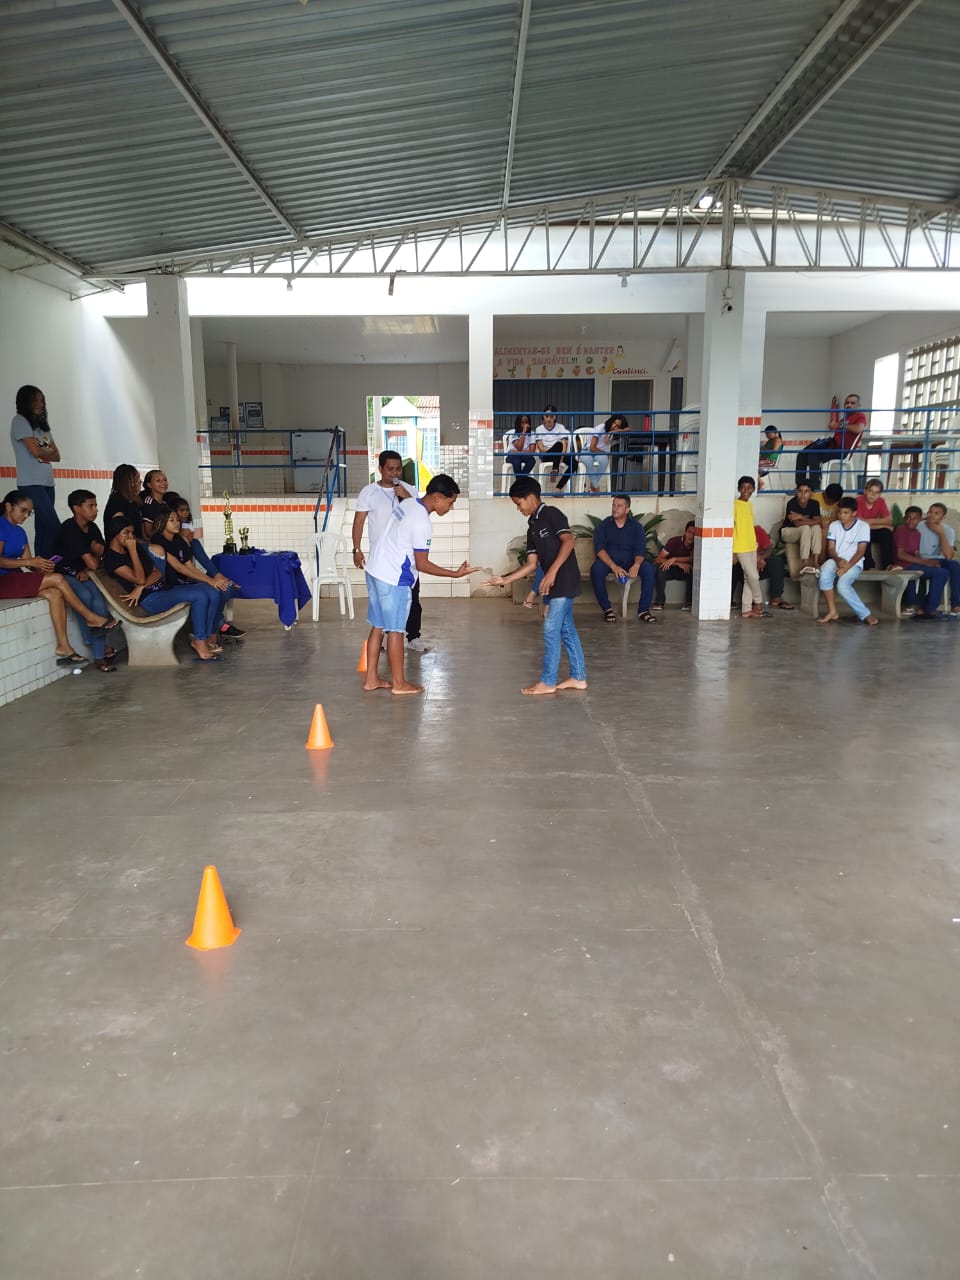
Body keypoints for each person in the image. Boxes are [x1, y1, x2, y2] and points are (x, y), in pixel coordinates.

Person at [362, 474, 477, 695]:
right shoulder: (422, 521)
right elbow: (422, 564)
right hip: (393, 578)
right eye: (450, 502)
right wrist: (454, 574)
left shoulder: (408, 504)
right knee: (396, 631)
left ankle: (371, 679)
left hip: (375, 570)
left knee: (378, 626)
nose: (450, 507)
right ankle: (399, 684)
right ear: (437, 497)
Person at [484, 476, 587, 696]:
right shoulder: (532, 525)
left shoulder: (552, 514)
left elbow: (569, 541)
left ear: (530, 497)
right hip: (553, 584)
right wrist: (505, 580)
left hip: (565, 580)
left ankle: (548, 682)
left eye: (519, 503)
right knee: (566, 630)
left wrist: (551, 572)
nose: (518, 508)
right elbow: (532, 564)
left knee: (551, 629)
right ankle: (579, 677)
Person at [0, 489, 114, 667]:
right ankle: (90, 617)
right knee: (58, 579)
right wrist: (31, 562)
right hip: (3, 581)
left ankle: (63, 646)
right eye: (23, 510)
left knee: (55, 593)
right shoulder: (1, 526)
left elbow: (28, 563)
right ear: (8, 507)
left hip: (16, 577)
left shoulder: (20, 532)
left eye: (29, 512)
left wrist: (41, 565)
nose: (26, 516)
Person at [103, 515, 226, 661]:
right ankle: (200, 641)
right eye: (126, 532)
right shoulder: (112, 558)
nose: (130, 537)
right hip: (150, 600)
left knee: (212, 591)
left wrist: (141, 587)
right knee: (199, 596)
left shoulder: (136, 548)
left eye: (131, 532)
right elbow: (139, 579)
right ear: (115, 534)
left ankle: (205, 638)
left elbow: (157, 572)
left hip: (162, 590)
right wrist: (133, 552)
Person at [351, 449, 429, 652]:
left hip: (406, 560)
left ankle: (414, 637)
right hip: (381, 560)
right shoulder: (369, 492)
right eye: (390, 469)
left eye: (398, 469)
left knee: (413, 599)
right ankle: (386, 637)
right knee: (383, 603)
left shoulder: (409, 490)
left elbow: (419, 516)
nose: (394, 473)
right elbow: (359, 522)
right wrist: (357, 549)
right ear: (380, 469)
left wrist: (406, 497)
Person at [151, 506, 238, 659]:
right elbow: (179, 568)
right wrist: (210, 580)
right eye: (171, 520)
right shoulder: (158, 541)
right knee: (204, 594)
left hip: (183, 583)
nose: (177, 523)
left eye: (177, 520)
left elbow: (189, 567)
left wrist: (214, 581)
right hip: (168, 587)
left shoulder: (178, 540)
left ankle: (208, 636)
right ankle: (200, 639)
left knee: (218, 590)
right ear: (161, 523)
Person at [53, 489, 125, 671]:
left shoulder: (92, 528)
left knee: (99, 602)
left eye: (96, 506)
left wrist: (92, 563)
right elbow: (95, 561)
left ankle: (100, 656)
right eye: (90, 506)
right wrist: (95, 559)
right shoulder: (70, 529)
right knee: (85, 596)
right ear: (76, 509)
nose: (95, 510)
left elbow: (101, 560)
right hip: (64, 573)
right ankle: (94, 645)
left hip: (84, 572)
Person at [10, 385, 61, 557]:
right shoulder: (20, 421)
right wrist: (46, 451)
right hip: (31, 484)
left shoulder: (42, 426)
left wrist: (42, 451)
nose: (40, 404)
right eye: (35, 401)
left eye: (41, 400)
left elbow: (57, 455)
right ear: (25, 402)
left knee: (43, 528)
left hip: (47, 483)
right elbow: (36, 452)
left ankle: (42, 564)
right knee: (54, 526)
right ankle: (48, 563)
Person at [590, 494, 657, 624]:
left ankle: (643, 610)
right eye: (614, 505)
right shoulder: (603, 525)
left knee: (648, 569)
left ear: (627, 510)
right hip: (610, 563)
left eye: (619, 506)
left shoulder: (636, 527)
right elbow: (599, 549)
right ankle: (607, 609)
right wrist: (613, 566)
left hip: (631, 562)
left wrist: (637, 565)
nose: (615, 508)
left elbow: (640, 549)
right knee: (596, 569)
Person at [816, 496, 877, 625]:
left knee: (842, 586)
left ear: (854, 513)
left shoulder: (863, 526)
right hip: (837, 560)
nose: (841, 516)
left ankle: (865, 614)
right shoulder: (834, 525)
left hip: (854, 563)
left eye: (846, 513)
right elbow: (831, 549)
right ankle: (832, 612)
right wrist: (838, 560)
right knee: (824, 571)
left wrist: (846, 567)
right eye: (839, 512)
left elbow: (861, 551)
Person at [795, 394, 867, 489]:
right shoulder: (844, 419)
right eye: (847, 403)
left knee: (814, 455)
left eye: (852, 403)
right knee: (802, 455)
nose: (849, 405)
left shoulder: (860, 416)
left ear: (858, 405)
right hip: (832, 445)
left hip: (842, 450)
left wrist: (839, 425)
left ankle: (814, 488)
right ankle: (800, 487)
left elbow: (859, 429)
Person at [892, 505, 944, 619]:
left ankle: (925, 606)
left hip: (913, 564)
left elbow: (916, 553)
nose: (911, 521)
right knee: (941, 573)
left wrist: (928, 563)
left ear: (920, 520)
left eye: (915, 518)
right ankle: (929, 608)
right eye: (908, 518)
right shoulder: (901, 530)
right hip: (902, 565)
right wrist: (924, 562)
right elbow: (900, 554)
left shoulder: (917, 533)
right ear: (904, 518)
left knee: (940, 570)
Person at [732, 523, 793, 610]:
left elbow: (768, 548)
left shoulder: (757, 530)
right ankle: (729, 600)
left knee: (777, 562)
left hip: (760, 565)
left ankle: (776, 597)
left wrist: (761, 558)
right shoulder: (734, 534)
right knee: (733, 566)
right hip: (742, 567)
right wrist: (754, 560)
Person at [914, 502, 960, 618]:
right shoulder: (919, 526)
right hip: (922, 559)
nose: (931, 515)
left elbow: (948, 556)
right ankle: (928, 606)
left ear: (943, 517)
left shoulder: (948, 530)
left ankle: (956, 604)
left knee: (955, 565)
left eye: (936, 513)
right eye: (930, 512)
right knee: (943, 572)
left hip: (939, 560)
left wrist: (941, 533)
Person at [733, 476, 764, 620]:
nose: (746, 491)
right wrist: (733, 552)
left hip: (751, 546)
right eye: (743, 488)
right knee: (754, 576)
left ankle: (746, 610)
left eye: (749, 488)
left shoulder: (750, 505)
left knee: (748, 579)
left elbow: (750, 528)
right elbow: (732, 529)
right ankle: (758, 602)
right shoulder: (734, 505)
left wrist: (756, 548)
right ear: (738, 489)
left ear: (754, 489)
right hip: (740, 547)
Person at [781, 483, 822, 575]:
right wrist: (813, 521)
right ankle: (804, 562)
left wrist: (801, 517)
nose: (803, 495)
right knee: (806, 528)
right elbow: (797, 524)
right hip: (789, 532)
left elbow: (818, 522)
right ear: (796, 492)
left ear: (811, 493)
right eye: (800, 491)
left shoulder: (814, 504)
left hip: (805, 534)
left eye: (806, 491)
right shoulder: (792, 503)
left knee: (816, 528)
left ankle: (816, 561)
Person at [534, 406, 577, 492]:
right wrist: (554, 452)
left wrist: (561, 456)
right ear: (543, 417)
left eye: (551, 416)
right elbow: (541, 448)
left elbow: (564, 444)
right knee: (558, 445)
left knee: (574, 463)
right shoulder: (539, 429)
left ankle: (558, 487)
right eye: (546, 416)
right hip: (546, 455)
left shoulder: (560, 427)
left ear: (555, 417)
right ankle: (555, 469)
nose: (549, 419)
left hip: (560, 454)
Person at [582, 414, 628, 495]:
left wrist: (612, 432)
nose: (614, 426)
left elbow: (628, 429)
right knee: (588, 461)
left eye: (617, 426)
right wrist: (604, 453)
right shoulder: (601, 427)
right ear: (611, 421)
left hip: (599, 453)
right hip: (587, 450)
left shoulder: (612, 433)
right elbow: (592, 448)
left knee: (604, 461)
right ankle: (596, 486)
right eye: (614, 423)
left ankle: (593, 485)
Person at [654, 520, 694, 610]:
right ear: (685, 532)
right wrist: (677, 563)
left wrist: (675, 558)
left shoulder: (698, 544)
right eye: (689, 532)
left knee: (693, 572)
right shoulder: (674, 541)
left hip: (686, 571)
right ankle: (659, 602)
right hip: (671, 568)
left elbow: (692, 558)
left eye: (694, 534)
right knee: (660, 569)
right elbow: (658, 559)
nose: (691, 536)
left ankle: (688, 603)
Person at [855, 479, 894, 570]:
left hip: (872, 529)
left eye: (876, 492)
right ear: (865, 491)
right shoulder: (858, 501)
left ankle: (888, 565)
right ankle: (868, 565)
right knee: (865, 532)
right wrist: (883, 525)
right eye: (870, 491)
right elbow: (860, 523)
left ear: (880, 494)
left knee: (886, 533)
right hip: (859, 531)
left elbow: (888, 520)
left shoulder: (880, 501)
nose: (873, 495)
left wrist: (869, 522)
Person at [103, 464, 144, 538]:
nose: (140, 482)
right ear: (127, 482)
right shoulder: (117, 501)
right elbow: (120, 533)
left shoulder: (133, 500)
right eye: (136, 479)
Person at [140, 469, 170, 537]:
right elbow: (148, 532)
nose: (163, 483)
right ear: (149, 485)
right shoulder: (148, 503)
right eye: (158, 480)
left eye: (165, 480)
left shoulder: (164, 504)